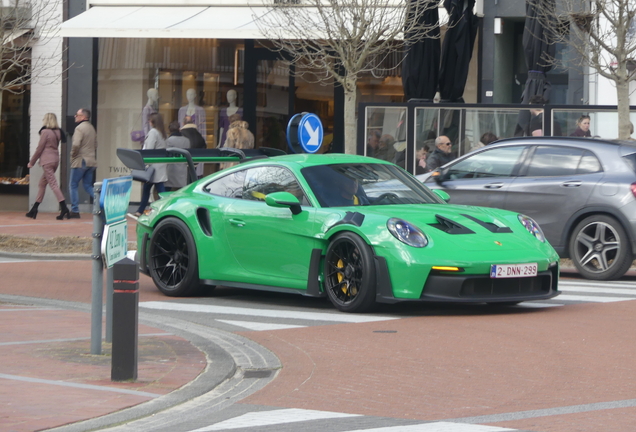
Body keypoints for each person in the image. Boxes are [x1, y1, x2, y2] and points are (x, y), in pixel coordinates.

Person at [25, 113, 69, 220]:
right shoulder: (58, 131)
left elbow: (39, 149)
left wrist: (32, 162)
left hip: (47, 161)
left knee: (53, 184)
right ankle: (34, 209)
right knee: (42, 183)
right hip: (55, 160)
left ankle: (64, 207)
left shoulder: (45, 132)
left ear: (46, 120)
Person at [135, 113, 167, 216]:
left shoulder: (153, 132)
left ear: (152, 122)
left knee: (149, 188)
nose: (148, 122)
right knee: (158, 188)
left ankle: (140, 210)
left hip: (152, 167)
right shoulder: (162, 133)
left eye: (150, 120)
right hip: (160, 165)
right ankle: (141, 210)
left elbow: (149, 149)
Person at [69, 108, 97, 219]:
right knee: (88, 185)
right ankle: (101, 202)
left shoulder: (79, 128)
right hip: (91, 161)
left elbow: (76, 144)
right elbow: (96, 144)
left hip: (81, 161)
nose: (75, 116)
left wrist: (73, 155)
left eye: (77, 115)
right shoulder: (91, 128)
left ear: (83, 117)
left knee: (73, 185)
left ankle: (75, 210)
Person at [165, 121, 191, 190]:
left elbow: (167, 154)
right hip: (183, 168)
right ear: (179, 129)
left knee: (167, 189)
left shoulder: (168, 141)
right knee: (182, 190)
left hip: (171, 169)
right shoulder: (186, 140)